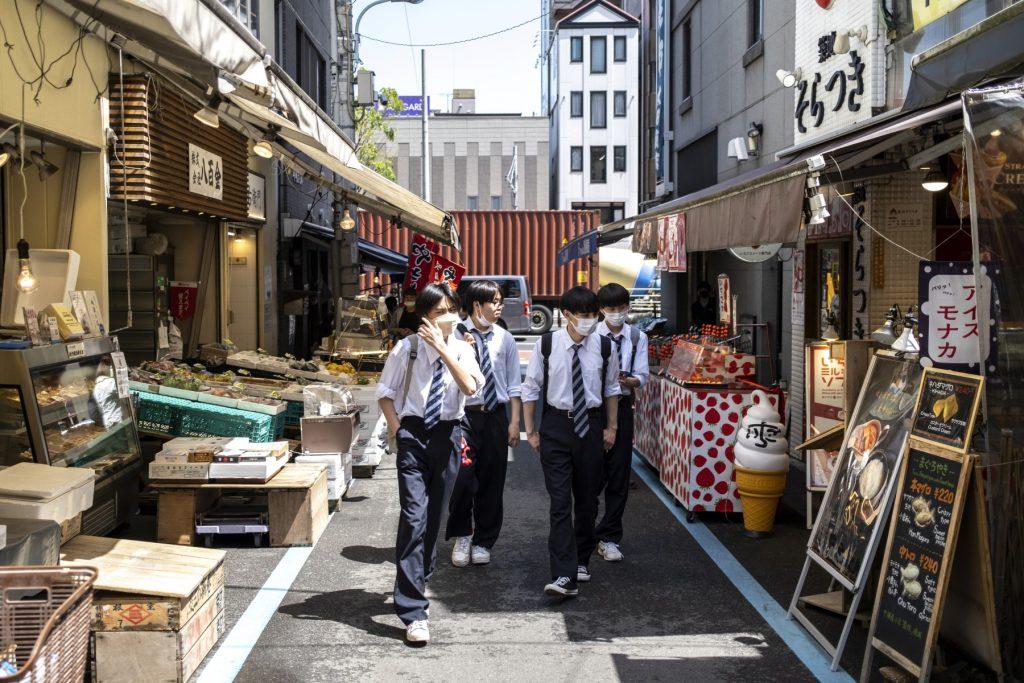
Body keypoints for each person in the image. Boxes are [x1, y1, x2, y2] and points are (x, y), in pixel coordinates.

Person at [377, 283, 484, 644]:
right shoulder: (405, 350)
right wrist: (399, 431)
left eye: (451, 309)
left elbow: (470, 388)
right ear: (425, 317)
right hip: (413, 434)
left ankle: (418, 577)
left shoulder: (462, 349)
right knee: (413, 516)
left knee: (434, 516)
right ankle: (412, 611)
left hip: (448, 434)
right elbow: (384, 394)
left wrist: (443, 349)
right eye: (439, 312)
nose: (448, 317)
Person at [522, 286, 620, 597]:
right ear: (567, 316)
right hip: (556, 426)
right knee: (560, 502)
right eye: (584, 315)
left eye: (594, 315)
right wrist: (531, 430)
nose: (590, 320)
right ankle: (563, 575)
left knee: (588, 500)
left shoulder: (605, 347)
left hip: (591, 426)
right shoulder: (547, 344)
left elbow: (611, 389)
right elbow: (531, 388)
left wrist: (612, 428)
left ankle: (581, 558)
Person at [446, 280, 522, 567]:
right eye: (495, 301)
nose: (500, 306)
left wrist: (514, 422)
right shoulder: (454, 335)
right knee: (462, 478)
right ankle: (463, 533)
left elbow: (515, 385)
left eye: (501, 300)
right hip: (463, 416)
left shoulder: (505, 338)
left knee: (492, 479)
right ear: (477, 305)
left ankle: (484, 540)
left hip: (495, 416)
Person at [594, 283, 650, 563]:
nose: (616, 314)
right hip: (594, 408)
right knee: (591, 473)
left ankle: (610, 537)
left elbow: (643, 374)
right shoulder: (591, 333)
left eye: (621, 308)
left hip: (624, 406)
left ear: (628, 307)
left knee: (618, 473)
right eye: (610, 309)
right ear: (601, 310)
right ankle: (585, 530)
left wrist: (631, 380)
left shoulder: (638, 336)